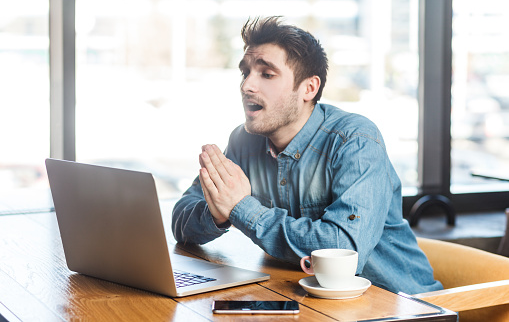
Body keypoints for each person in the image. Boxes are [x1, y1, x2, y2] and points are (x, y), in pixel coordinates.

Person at [172, 16, 443, 295]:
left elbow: (345, 251)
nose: (246, 86)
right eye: (245, 72)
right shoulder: (243, 141)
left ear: (309, 88)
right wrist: (216, 214)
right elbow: (181, 220)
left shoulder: (356, 141)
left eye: (266, 74)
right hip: (311, 303)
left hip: (404, 306)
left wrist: (240, 207)